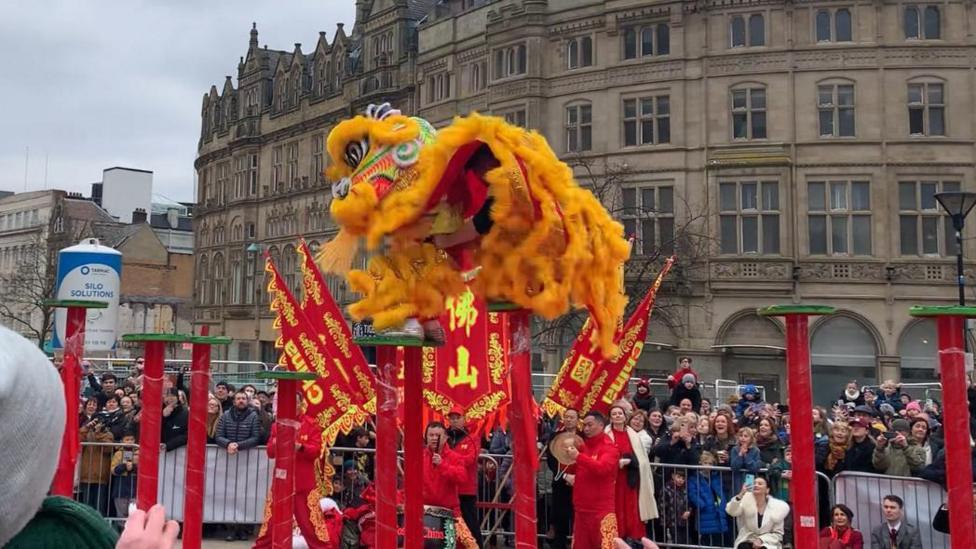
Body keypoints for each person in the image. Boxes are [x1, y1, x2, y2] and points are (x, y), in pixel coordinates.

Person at [255, 412, 334, 549]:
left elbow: (316, 452)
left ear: (300, 404)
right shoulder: (277, 425)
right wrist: (275, 443)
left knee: (311, 523)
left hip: (304, 483)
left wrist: (301, 447)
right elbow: (270, 452)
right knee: (271, 522)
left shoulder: (311, 424)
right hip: (281, 482)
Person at [566, 411, 620, 549]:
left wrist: (579, 457)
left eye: (590, 425)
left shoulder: (609, 447)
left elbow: (602, 468)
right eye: (584, 426)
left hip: (601, 511)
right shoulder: (582, 446)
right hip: (581, 509)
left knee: (606, 546)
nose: (586, 429)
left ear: (601, 425)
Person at [421, 421, 478, 548]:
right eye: (431, 435)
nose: (434, 438)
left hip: (450, 513)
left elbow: (462, 477)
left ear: (445, 437)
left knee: (471, 545)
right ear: (426, 437)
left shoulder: (454, 457)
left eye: (437, 435)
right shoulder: (420, 458)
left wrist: (442, 465)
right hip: (424, 512)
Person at [214, 390, 262, 541]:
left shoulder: (253, 416)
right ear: (234, 401)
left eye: (243, 398)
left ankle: (243, 528)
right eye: (238, 398)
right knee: (229, 494)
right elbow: (218, 436)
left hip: (247, 460)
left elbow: (256, 438)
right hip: (227, 460)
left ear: (247, 401)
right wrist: (228, 444)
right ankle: (231, 528)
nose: (241, 400)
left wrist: (238, 446)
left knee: (245, 495)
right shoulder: (226, 415)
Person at [606, 405, 657, 541]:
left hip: (630, 478)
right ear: (610, 418)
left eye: (620, 413)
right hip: (613, 479)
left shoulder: (633, 435)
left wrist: (629, 461)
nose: (617, 416)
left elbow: (641, 457)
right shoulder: (606, 435)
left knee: (631, 508)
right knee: (615, 508)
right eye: (614, 414)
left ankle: (633, 539)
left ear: (624, 416)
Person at [446, 407, 482, 548]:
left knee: (470, 524)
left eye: (457, 418)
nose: (454, 421)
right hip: (447, 488)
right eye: (452, 418)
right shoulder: (445, 437)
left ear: (464, 419)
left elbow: (470, 459)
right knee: (449, 524)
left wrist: (450, 459)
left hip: (466, 489)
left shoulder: (473, 438)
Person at [726, 476, 790, 549]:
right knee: (744, 547)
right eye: (754, 483)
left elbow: (778, 534)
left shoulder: (777, 507)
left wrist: (761, 540)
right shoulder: (745, 501)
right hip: (747, 539)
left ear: (767, 490)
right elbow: (731, 511)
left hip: (768, 542)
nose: (756, 485)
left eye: (760, 484)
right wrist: (741, 494)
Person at [547, 408, 580, 549]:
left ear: (578, 420)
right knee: (560, 517)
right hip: (561, 481)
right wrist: (565, 476)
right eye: (566, 417)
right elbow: (551, 459)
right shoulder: (555, 436)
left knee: (578, 518)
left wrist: (577, 476)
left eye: (572, 417)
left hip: (579, 482)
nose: (569, 419)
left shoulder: (584, 436)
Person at [688, 452, 731, 547]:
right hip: (705, 511)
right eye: (705, 463)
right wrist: (701, 504)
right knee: (706, 539)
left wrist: (723, 504)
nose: (708, 466)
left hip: (718, 510)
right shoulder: (694, 478)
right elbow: (692, 493)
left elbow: (721, 492)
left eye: (710, 463)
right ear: (700, 463)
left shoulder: (716, 477)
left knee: (719, 539)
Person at [110, 430, 139, 518]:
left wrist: (133, 467)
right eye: (127, 440)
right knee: (121, 515)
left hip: (134, 487)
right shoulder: (118, 454)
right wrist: (124, 466)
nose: (130, 441)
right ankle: (121, 530)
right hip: (120, 488)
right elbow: (113, 470)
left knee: (134, 514)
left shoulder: (139, 452)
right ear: (122, 441)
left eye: (131, 439)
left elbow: (143, 469)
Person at [662, 469, 692, 545]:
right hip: (672, 521)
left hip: (685, 521)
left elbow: (690, 503)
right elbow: (662, 505)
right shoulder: (666, 488)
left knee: (687, 541)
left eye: (683, 478)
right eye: (678, 477)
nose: (680, 480)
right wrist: (664, 521)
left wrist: (689, 511)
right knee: (677, 542)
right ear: (673, 476)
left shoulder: (686, 489)